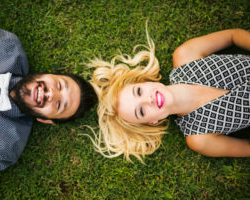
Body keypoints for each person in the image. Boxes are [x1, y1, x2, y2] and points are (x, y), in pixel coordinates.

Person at [0, 2, 96, 199]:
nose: (51, 94)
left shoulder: (3, 148)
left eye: (60, 105)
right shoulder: (5, 47)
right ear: (50, 74)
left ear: (46, 119)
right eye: (60, 85)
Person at [89, 26, 250, 162]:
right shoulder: (199, 138)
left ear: (145, 81)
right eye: (141, 111)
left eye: (138, 91)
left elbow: (233, 35)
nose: (148, 99)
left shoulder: (186, 55)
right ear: (152, 121)